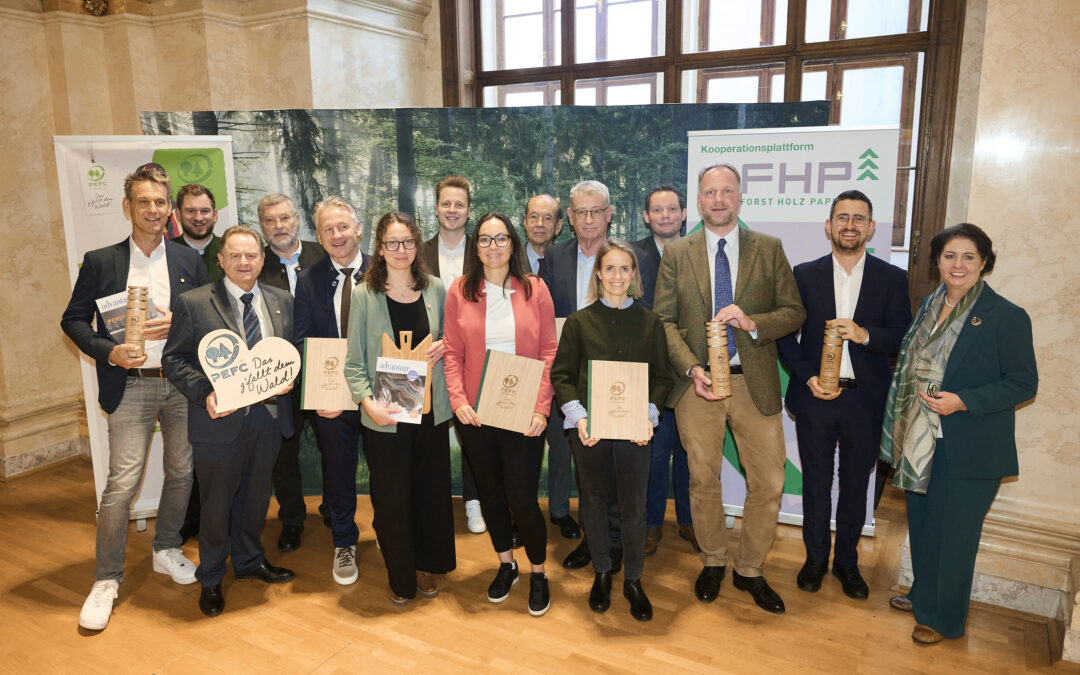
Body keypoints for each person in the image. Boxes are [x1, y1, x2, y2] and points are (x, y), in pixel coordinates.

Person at [653, 163, 805, 615]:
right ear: (697, 200)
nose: (718, 200)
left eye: (726, 191)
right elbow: (662, 322)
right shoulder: (677, 254)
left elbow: (794, 311)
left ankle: (750, 569)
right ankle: (714, 560)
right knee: (702, 480)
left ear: (740, 197)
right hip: (698, 387)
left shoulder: (769, 248)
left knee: (770, 483)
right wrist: (690, 369)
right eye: (709, 192)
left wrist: (754, 322)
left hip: (753, 384)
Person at [61, 165, 207, 631]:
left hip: (181, 381)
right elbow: (74, 320)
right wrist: (110, 352)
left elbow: (207, 320)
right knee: (121, 484)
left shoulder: (188, 261)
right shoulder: (101, 260)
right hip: (131, 384)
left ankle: (166, 548)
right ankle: (106, 578)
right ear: (127, 207)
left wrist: (178, 325)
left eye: (160, 203)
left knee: (182, 471)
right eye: (143, 202)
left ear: (170, 210)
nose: (152, 210)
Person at [880, 223, 1037, 645]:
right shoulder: (929, 307)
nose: (958, 264)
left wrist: (962, 400)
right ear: (937, 262)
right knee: (926, 525)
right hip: (920, 439)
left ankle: (943, 619)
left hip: (970, 446)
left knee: (955, 535)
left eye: (969, 256)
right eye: (950, 256)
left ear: (984, 262)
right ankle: (923, 594)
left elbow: (1024, 384)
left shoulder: (1005, 316)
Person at [776, 190, 912, 599]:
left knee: (856, 486)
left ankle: (847, 563)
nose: (849, 225)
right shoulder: (804, 274)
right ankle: (815, 559)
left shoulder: (892, 278)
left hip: (865, 403)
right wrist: (806, 378)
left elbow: (903, 335)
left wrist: (864, 334)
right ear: (828, 225)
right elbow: (785, 337)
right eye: (842, 217)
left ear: (871, 228)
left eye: (858, 218)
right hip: (815, 397)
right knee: (815, 484)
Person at [162, 224, 298, 617]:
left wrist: (292, 376)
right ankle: (210, 578)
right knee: (217, 504)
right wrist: (206, 392)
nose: (244, 262)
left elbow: (293, 351)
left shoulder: (281, 301)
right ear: (220, 260)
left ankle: (251, 560)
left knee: (256, 499)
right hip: (218, 422)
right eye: (234, 255)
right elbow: (174, 359)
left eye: (251, 255)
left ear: (262, 259)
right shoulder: (193, 302)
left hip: (268, 418)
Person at [551, 239, 672, 622]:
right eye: (610, 269)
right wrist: (580, 417)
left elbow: (663, 378)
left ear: (634, 275)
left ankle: (633, 580)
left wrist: (647, 416)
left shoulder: (651, 323)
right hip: (590, 430)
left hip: (636, 430)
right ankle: (602, 571)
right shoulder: (579, 322)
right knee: (595, 500)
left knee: (634, 507)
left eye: (625, 269)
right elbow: (562, 375)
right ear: (598, 274)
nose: (617, 276)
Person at [443, 212, 558, 616]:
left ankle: (539, 572)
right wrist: (458, 401)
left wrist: (542, 409)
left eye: (502, 239)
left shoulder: (535, 289)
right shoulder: (460, 291)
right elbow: (453, 353)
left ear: (514, 244)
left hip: (525, 411)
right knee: (490, 493)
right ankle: (506, 564)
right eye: (486, 240)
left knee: (523, 498)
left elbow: (549, 352)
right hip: (476, 414)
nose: (494, 247)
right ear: (476, 246)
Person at [344, 211, 456, 605]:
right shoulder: (364, 294)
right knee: (392, 497)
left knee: (429, 492)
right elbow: (353, 362)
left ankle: (425, 564)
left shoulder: (437, 289)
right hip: (385, 415)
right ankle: (400, 570)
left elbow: (452, 343)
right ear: (379, 247)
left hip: (429, 414)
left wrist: (446, 345)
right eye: (392, 242)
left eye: (408, 241)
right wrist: (368, 404)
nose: (401, 250)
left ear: (417, 245)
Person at [539, 180, 624, 563]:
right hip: (569, 379)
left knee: (610, 467)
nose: (589, 219)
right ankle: (587, 536)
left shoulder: (626, 257)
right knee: (573, 456)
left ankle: (612, 540)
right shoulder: (553, 259)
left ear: (609, 214)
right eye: (581, 212)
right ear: (569, 218)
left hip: (615, 381)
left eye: (596, 211)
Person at [293, 196, 372, 585]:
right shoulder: (308, 279)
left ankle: (395, 536)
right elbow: (304, 340)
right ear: (319, 237)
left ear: (358, 228)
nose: (337, 235)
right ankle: (344, 541)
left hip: (382, 393)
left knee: (388, 471)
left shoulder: (386, 269)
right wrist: (321, 394)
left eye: (343, 226)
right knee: (338, 473)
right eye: (328, 229)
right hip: (333, 398)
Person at [257, 193, 328, 552]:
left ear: (297, 219)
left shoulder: (323, 254)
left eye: (284, 218)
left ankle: (334, 507)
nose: (279, 226)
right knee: (284, 452)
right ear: (262, 226)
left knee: (333, 444)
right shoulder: (255, 263)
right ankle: (292, 519)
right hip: (279, 378)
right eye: (270, 221)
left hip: (325, 369)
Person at [632, 184, 697, 557]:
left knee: (689, 451)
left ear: (684, 213)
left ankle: (688, 520)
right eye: (657, 210)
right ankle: (652, 524)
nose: (666, 216)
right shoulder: (632, 255)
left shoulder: (699, 251)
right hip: (649, 370)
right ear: (646, 216)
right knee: (655, 454)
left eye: (672, 209)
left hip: (690, 368)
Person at [421, 174, 485, 535]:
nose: (452, 210)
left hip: (471, 357)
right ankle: (433, 503)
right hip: (427, 357)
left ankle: (474, 502)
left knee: (472, 431)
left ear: (468, 210)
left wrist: (454, 340)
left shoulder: (484, 250)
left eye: (459, 204)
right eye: (446, 203)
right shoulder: (419, 251)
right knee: (430, 436)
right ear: (436, 208)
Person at [172, 183, 224, 282]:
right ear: (178, 215)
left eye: (205, 211)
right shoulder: (166, 253)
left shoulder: (230, 252)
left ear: (215, 215)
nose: (198, 218)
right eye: (191, 211)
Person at [523, 194, 563, 275]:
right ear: (525, 222)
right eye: (534, 217)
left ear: (558, 226)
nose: (540, 224)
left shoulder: (567, 264)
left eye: (547, 218)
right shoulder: (510, 262)